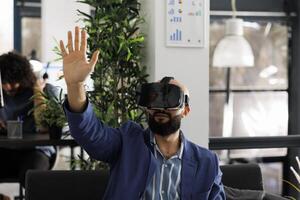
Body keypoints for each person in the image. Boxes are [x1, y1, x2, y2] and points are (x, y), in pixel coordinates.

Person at [61, 27, 225, 199]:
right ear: (146, 106)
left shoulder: (207, 163)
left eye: (170, 100)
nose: (161, 108)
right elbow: (89, 133)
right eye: (154, 99)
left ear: (185, 110)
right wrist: (75, 85)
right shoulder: (127, 142)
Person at [0, 52, 58, 199]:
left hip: (36, 151)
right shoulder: (1, 94)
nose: (8, 86)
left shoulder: (43, 91)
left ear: (23, 77)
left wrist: (38, 93)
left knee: (34, 180)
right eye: (3, 81)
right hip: (6, 150)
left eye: (13, 81)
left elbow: (45, 127)